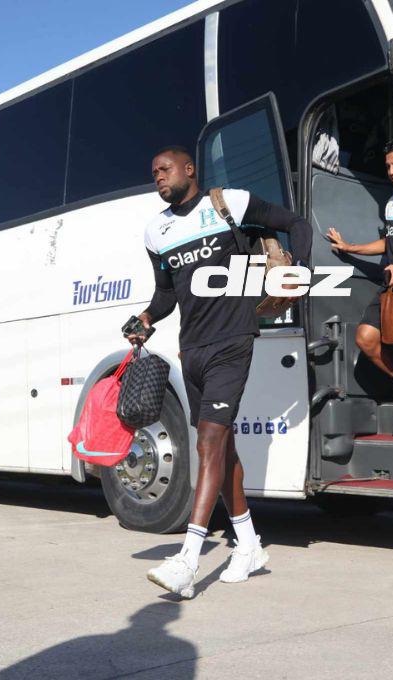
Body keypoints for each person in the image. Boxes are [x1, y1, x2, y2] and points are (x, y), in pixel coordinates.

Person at [128, 146, 312, 599]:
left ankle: (188, 559)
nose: (159, 177)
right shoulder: (157, 231)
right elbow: (165, 295)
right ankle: (249, 545)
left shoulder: (229, 203)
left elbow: (297, 224)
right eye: (153, 173)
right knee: (221, 447)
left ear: (189, 170)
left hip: (233, 341)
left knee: (209, 440)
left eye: (165, 170)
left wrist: (301, 272)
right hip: (191, 349)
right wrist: (146, 321)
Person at [326, 141, 393, 417]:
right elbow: (389, 242)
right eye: (388, 166)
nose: (392, 171)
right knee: (365, 338)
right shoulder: (392, 203)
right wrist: (350, 248)